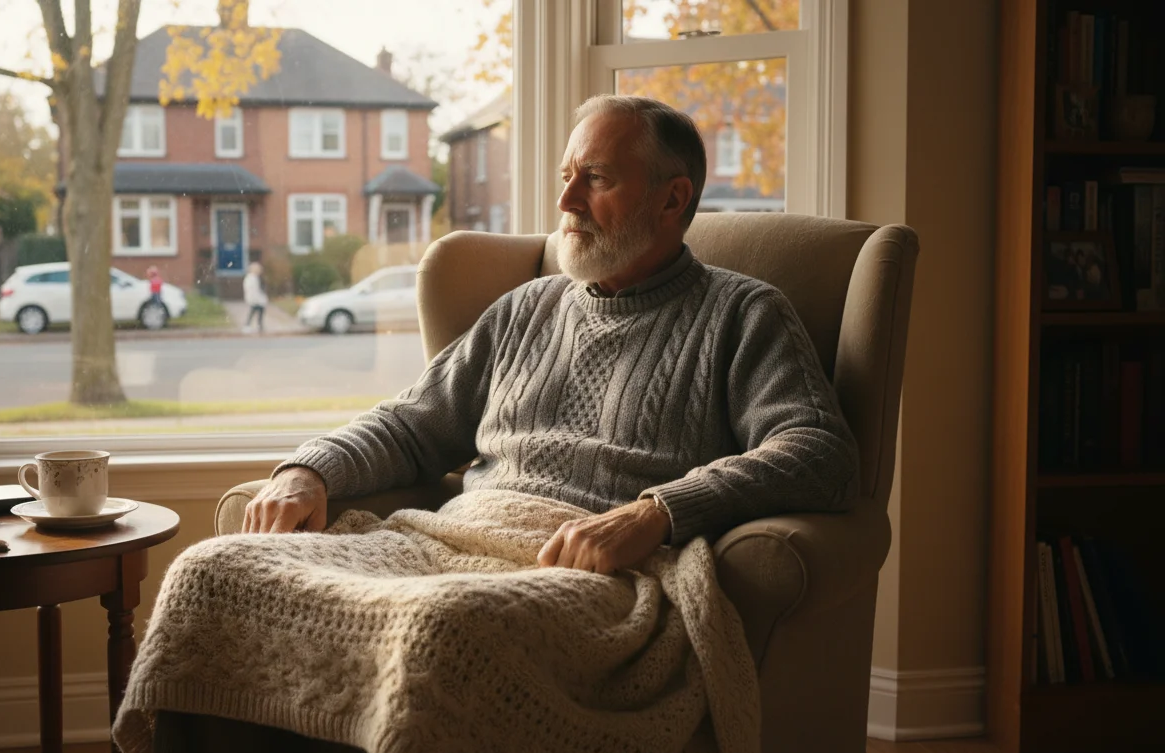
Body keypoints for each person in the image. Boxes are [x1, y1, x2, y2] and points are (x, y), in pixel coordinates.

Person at [244, 94, 859, 574]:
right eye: (567, 175)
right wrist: (309, 473)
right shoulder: (525, 308)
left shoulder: (744, 313)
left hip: (593, 572)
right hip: (450, 544)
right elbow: (411, 425)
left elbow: (819, 454)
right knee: (218, 572)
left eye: (596, 178)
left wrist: (655, 514)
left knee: (438, 631)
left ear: (672, 200)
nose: (566, 200)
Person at [241, 261, 268, 334]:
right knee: (254, 312)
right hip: (255, 299)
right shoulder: (251, 278)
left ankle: (258, 326)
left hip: (257, 298)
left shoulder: (254, 278)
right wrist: (259, 298)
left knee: (258, 312)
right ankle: (249, 325)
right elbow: (253, 290)